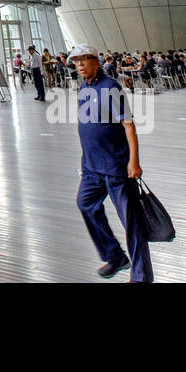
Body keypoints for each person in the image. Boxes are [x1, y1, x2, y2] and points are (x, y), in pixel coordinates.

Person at [69, 43, 152, 282]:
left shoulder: (110, 87)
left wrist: (133, 161)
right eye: (77, 61)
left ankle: (141, 276)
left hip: (116, 167)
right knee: (86, 204)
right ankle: (115, 256)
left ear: (96, 61)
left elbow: (128, 125)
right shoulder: (84, 87)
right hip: (91, 167)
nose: (80, 65)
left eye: (85, 60)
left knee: (131, 222)